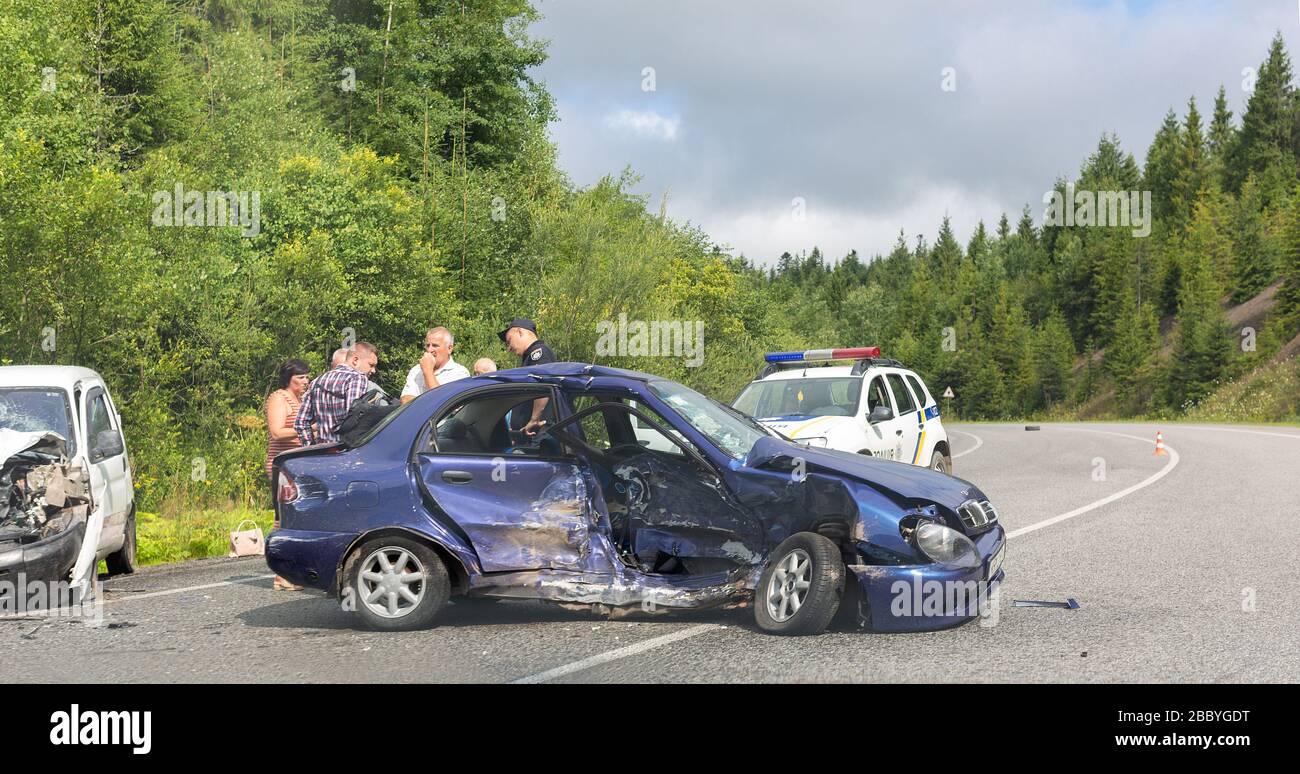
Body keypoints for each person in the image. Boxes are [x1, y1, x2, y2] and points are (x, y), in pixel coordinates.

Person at [266, 359, 309, 591]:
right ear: (288, 378)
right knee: (282, 519)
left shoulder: (300, 399)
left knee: (294, 517)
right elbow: (276, 431)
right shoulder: (279, 398)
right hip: (280, 465)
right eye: (300, 377)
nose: (305, 381)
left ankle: (289, 570)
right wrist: (307, 429)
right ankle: (280, 574)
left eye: (306, 377)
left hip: (297, 465)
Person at [295, 342, 378, 446]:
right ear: (355, 360)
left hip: (321, 453)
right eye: (371, 365)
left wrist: (310, 447)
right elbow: (354, 419)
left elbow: (301, 423)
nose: (373, 370)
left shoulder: (317, 381)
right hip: (345, 454)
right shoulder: (357, 378)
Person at [498, 317, 556, 436]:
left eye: (509, 341)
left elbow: (542, 385)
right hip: (532, 435)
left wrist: (534, 420)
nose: (509, 348)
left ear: (520, 332)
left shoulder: (539, 353)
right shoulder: (529, 358)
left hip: (540, 434)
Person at [400, 327, 469, 403]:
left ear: (449, 348)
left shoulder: (460, 373)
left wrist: (428, 372)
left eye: (435, 345)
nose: (430, 350)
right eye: (427, 345)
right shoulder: (416, 370)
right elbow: (405, 400)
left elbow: (442, 403)